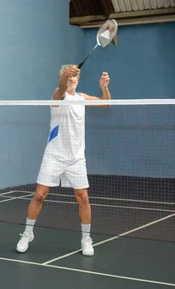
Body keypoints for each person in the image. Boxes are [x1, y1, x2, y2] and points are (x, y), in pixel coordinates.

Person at [16, 64, 111, 256]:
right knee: (40, 195)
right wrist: (65, 75)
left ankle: (86, 239)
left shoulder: (82, 98)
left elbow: (106, 103)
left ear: (78, 79)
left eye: (74, 77)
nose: (72, 80)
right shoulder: (57, 95)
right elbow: (60, 89)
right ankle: (27, 233)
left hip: (76, 157)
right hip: (54, 154)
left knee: (83, 197)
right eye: (68, 77)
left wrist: (104, 88)